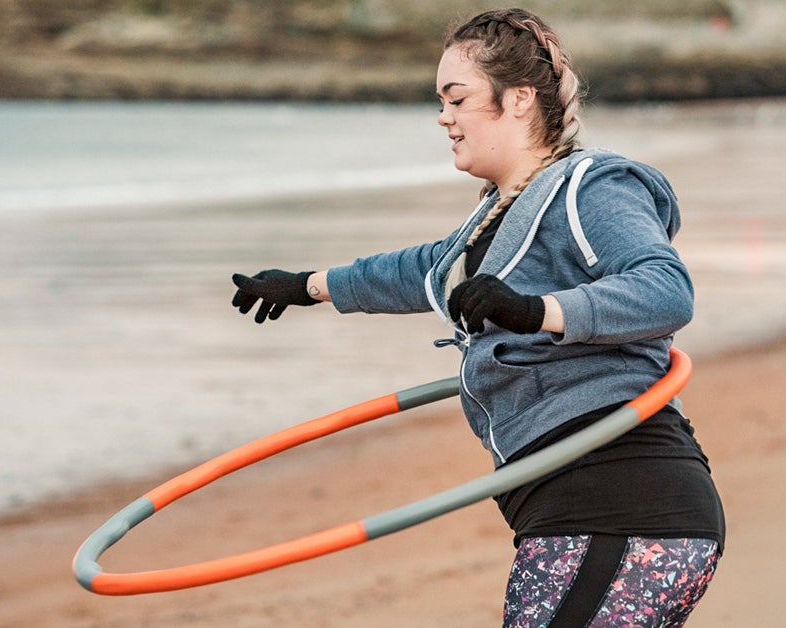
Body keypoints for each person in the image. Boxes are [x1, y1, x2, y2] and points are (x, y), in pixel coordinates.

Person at [230, 8, 724, 627]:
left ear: (519, 99)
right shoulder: (492, 215)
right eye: (441, 100)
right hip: (561, 513)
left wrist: (533, 310)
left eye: (457, 98)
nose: (444, 116)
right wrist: (306, 285)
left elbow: (665, 289)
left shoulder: (589, 187)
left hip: (625, 504)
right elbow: (420, 270)